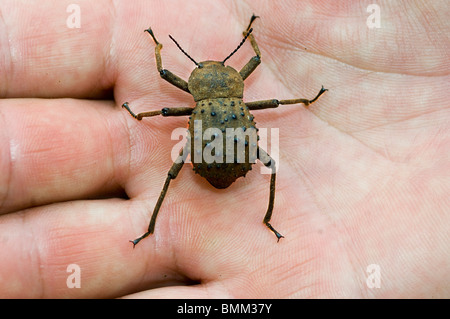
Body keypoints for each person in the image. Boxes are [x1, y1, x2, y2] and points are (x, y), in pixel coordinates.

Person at [0, 1, 448, 298]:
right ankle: (267, 220)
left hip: (208, 161)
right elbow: (265, 84)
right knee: (270, 165)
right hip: (234, 161)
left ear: (194, 89)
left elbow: (162, 86)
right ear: (235, 85)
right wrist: (297, 91)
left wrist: (155, 61)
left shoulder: (187, 97)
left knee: (171, 175)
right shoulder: (245, 88)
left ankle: (151, 228)